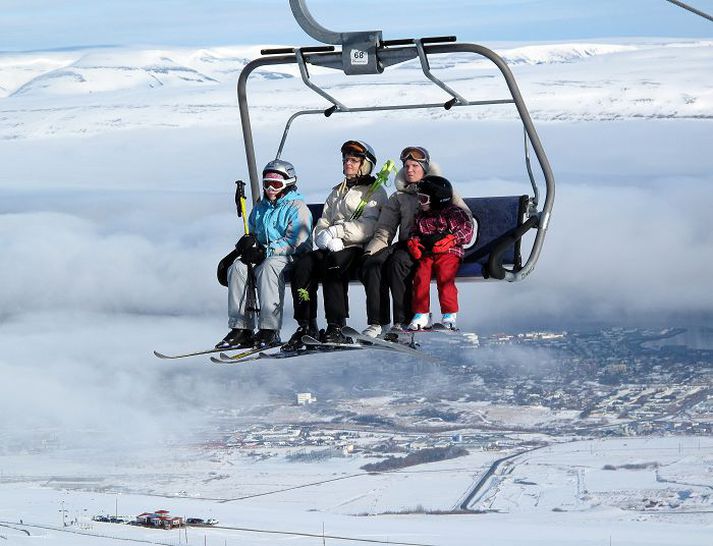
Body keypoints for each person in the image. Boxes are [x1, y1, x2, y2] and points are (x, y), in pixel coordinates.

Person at [282, 140, 388, 350]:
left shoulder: (374, 192)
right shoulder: (337, 191)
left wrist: (338, 232)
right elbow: (324, 219)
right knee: (303, 266)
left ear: (365, 164)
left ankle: (336, 325)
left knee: (334, 266)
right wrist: (323, 235)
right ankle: (306, 323)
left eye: (354, 160)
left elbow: (369, 225)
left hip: (357, 247)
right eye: (346, 159)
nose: (348, 163)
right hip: (331, 245)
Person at [359, 146, 474, 336]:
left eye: (414, 165)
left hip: (436, 247)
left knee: (398, 263)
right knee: (375, 263)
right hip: (411, 243)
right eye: (406, 166)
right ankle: (378, 322)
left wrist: (450, 240)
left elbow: (465, 218)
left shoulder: (441, 189)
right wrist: (370, 252)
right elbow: (385, 229)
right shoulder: (399, 197)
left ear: (425, 168)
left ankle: (405, 319)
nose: (409, 170)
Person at [216, 159, 313, 349]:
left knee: (269, 267)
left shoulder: (297, 207)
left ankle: (270, 329)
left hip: (292, 257)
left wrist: (265, 251)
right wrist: (248, 246)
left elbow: (295, 241)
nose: (270, 188)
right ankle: (241, 328)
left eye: (276, 184)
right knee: (238, 267)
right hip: (265, 255)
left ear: (288, 183)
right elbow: (253, 232)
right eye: (266, 183)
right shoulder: (261, 208)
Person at [406, 175, 475, 330]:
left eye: (423, 199)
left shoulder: (453, 213)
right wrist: (414, 243)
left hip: (449, 252)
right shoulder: (421, 216)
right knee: (420, 277)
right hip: (428, 253)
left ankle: (449, 314)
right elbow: (415, 232)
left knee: (445, 276)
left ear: (437, 199)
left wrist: (451, 239)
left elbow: (466, 230)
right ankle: (421, 314)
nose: (420, 203)